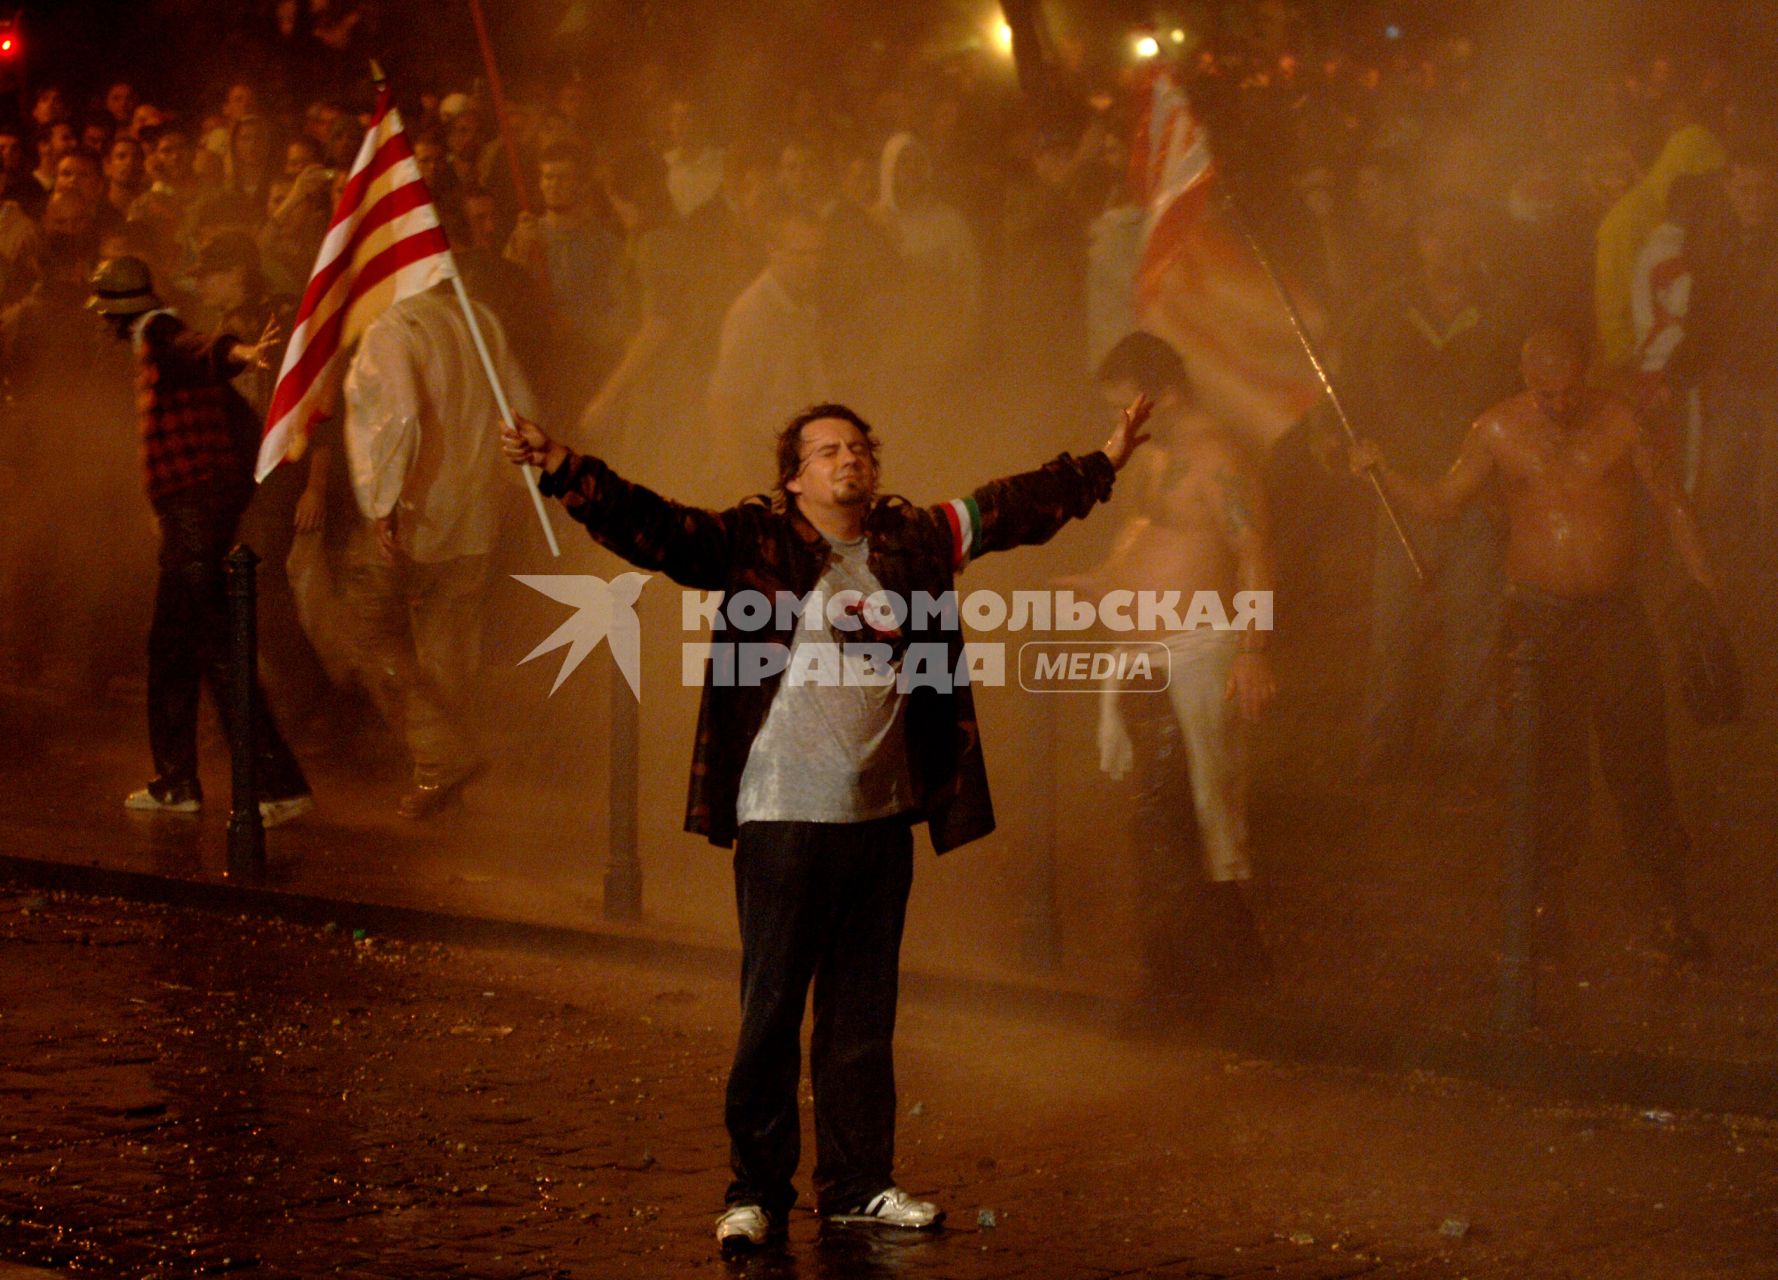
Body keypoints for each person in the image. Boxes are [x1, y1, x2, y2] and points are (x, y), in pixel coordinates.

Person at [500, 391, 1154, 1257]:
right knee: (770, 1013)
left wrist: (1101, 463)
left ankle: (856, 1186)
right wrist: (565, 469)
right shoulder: (755, 543)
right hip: (782, 815)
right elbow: (657, 528)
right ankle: (753, 1192)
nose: (850, 460)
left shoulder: (913, 541)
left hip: (878, 821)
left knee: (860, 1018)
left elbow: (1006, 509)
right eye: (829, 451)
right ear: (795, 474)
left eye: (860, 448)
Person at [1351, 328, 1715, 962]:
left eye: (1570, 389)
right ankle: (1544, 909)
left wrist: (1704, 591)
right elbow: (1440, 503)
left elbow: (1673, 503)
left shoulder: (1622, 423)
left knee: (1640, 766)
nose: (1561, 405)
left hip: (1614, 616)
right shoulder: (1494, 431)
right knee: (1549, 775)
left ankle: (1669, 908)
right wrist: (1382, 472)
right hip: (1537, 625)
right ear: (1526, 380)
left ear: (1586, 374)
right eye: (1546, 394)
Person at [1066, 332, 1276, 1010]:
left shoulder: (1220, 460)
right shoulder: (1153, 457)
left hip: (1195, 650)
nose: (1122, 423)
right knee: (1166, 811)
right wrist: (1099, 581)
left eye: (1130, 407)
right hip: (1141, 654)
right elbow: (1144, 541)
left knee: (1174, 812)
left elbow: (1254, 554)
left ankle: (1174, 975)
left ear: (1169, 394)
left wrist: (1252, 650)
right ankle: (1230, 963)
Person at [86, 254, 313, 825]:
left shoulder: (157, 331)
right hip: (193, 508)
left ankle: (273, 784)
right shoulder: (152, 338)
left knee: (212, 649)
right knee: (177, 649)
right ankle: (180, 781)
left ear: (116, 311)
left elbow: (202, 350)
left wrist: (239, 354)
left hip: (196, 510)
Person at [1340, 200, 1521, 797]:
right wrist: (1346, 446)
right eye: (1441, 238)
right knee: (1394, 627)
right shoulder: (1383, 310)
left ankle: (1466, 752)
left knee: (1474, 626)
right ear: (1420, 241)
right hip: (1398, 492)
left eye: (1464, 238)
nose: (1453, 251)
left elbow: (1524, 398)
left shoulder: (1502, 312)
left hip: (1478, 495)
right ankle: (1384, 747)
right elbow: (1346, 395)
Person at [342, 281, 533, 818]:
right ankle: (444, 776)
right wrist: (513, 486)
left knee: (370, 635)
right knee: (449, 649)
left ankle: (442, 758)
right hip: (474, 514)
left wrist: (386, 502)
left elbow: (405, 416)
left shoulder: (393, 328)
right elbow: (521, 408)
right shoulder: (479, 318)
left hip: (414, 515)